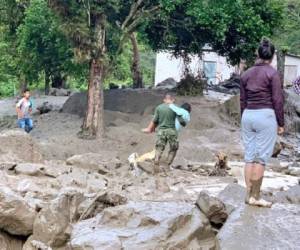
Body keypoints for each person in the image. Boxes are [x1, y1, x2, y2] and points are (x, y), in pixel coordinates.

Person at [240, 38, 284, 208]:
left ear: (257, 54)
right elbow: (277, 100)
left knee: (249, 156)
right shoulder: (272, 74)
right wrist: (281, 122)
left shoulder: (246, 74)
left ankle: (248, 194)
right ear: (272, 57)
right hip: (265, 115)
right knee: (261, 159)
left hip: (248, 115)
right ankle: (255, 196)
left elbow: (242, 100)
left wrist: (245, 117)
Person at [142, 93, 191, 173]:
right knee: (173, 148)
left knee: (159, 147)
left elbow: (155, 120)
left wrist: (151, 128)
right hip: (172, 131)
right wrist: (183, 123)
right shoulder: (174, 108)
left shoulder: (159, 108)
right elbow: (182, 121)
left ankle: (156, 160)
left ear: (164, 100)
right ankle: (167, 165)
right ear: (172, 100)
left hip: (161, 131)